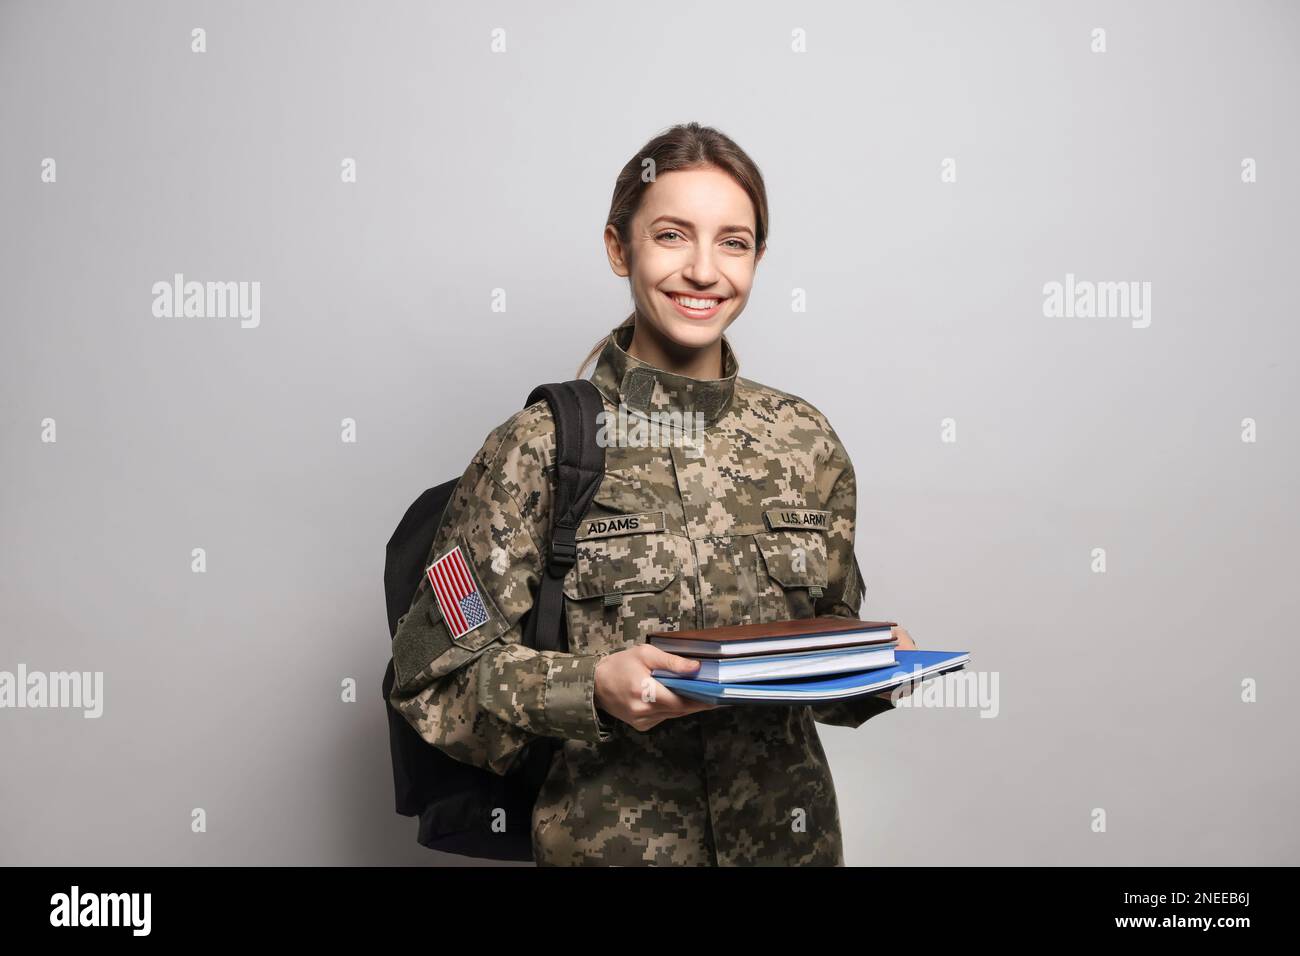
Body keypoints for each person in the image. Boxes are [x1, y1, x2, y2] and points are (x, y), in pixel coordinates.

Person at [388, 121, 918, 866]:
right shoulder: (538, 448)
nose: (704, 270)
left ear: (758, 259)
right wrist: (590, 688)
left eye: (733, 242)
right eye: (672, 235)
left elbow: (818, 669)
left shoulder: (806, 441)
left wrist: (868, 665)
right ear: (618, 248)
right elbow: (429, 686)